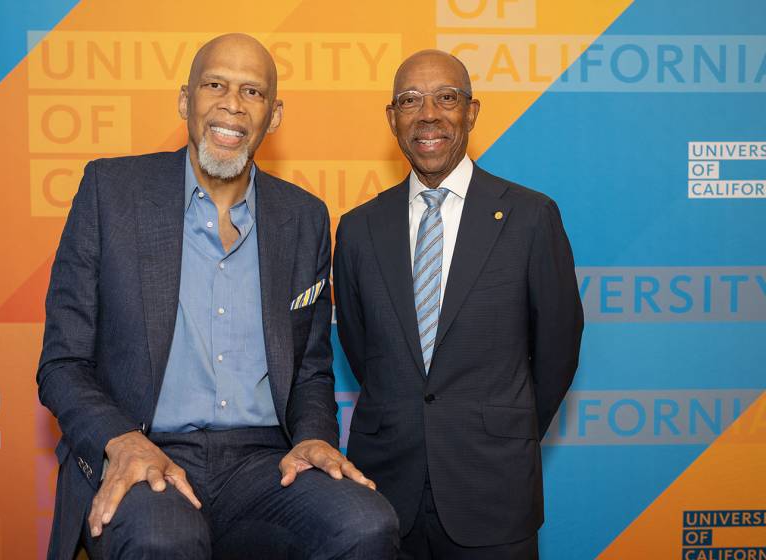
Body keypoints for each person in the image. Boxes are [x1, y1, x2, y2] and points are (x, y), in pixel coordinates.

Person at [37, 33, 398, 560]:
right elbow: (62, 363)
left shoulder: (304, 217)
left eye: (252, 92)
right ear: (187, 101)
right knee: (166, 539)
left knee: (365, 523)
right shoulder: (110, 191)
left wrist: (315, 436)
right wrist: (121, 440)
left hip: (262, 462)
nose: (232, 103)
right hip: (148, 448)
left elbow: (311, 368)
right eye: (215, 85)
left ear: (273, 117)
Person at [333, 49, 584, 559]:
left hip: (493, 488)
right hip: (385, 490)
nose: (429, 114)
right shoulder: (358, 228)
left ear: (472, 112)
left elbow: (557, 349)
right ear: (392, 119)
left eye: (447, 97)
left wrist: (501, 428)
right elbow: (363, 351)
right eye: (410, 100)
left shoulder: (531, 217)